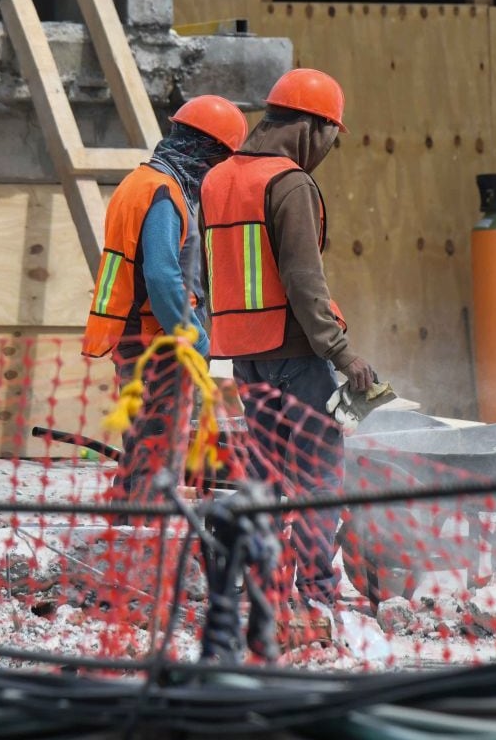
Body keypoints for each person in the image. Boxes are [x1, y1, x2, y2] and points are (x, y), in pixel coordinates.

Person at [201, 68, 380, 625]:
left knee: (270, 476)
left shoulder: (216, 179)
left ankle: (256, 578)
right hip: (296, 353)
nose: (330, 147)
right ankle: (318, 596)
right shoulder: (290, 183)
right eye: (332, 135)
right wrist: (342, 354)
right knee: (320, 477)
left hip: (245, 355)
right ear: (312, 126)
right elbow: (305, 281)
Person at [83, 95, 248, 502]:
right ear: (206, 152)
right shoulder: (162, 193)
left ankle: (131, 515)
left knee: (144, 446)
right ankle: (143, 534)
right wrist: (196, 339)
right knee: (158, 448)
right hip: (158, 343)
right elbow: (161, 278)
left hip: (137, 337)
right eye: (221, 161)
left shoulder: (140, 183)